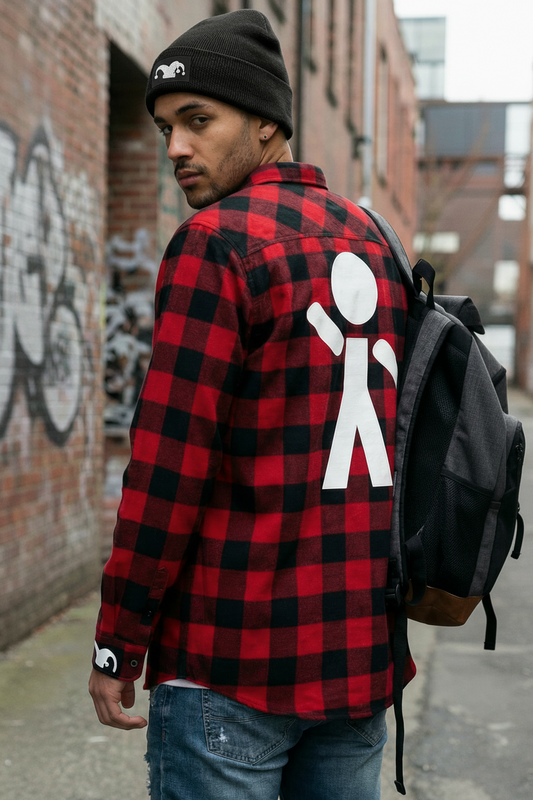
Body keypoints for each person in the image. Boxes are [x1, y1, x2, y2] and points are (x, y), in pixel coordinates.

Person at [89, 9, 413, 799]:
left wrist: (116, 643)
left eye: (198, 122)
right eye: (166, 127)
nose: (175, 149)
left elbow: (167, 469)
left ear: (268, 120)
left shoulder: (217, 243)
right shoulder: (376, 244)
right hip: (358, 660)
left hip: (231, 659)